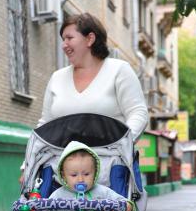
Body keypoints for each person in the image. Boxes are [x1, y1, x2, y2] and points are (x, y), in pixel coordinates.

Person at [38, 13, 148, 141]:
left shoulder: (119, 70)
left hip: (110, 158)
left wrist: (120, 145)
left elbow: (138, 113)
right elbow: (45, 124)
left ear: (90, 39)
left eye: (69, 38)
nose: (64, 45)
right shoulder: (57, 77)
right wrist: (30, 160)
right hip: (62, 159)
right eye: (63, 39)